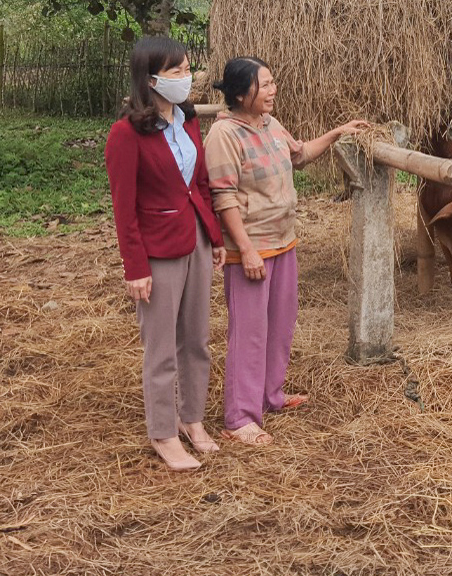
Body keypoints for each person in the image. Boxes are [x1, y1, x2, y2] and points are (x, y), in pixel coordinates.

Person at [204, 56, 369, 446]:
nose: (273, 90)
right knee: (250, 332)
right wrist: (245, 251)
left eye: (273, 82)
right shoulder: (223, 136)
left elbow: (298, 155)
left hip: (284, 242)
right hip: (252, 248)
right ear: (241, 93)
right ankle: (240, 417)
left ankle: (270, 396)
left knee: (279, 324)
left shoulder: (270, 125)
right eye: (264, 85)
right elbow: (223, 197)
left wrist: (336, 132)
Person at [105, 37, 226, 472]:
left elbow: (200, 184)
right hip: (156, 247)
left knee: (196, 338)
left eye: (187, 69)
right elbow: (124, 208)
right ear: (150, 78)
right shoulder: (126, 134)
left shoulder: (188, 119)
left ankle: (192, 419)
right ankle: (163, 432)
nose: (186, 78)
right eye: (176, 72)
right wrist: (135, 267)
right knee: (161, 347)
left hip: (194, 235)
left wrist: (214, 237)